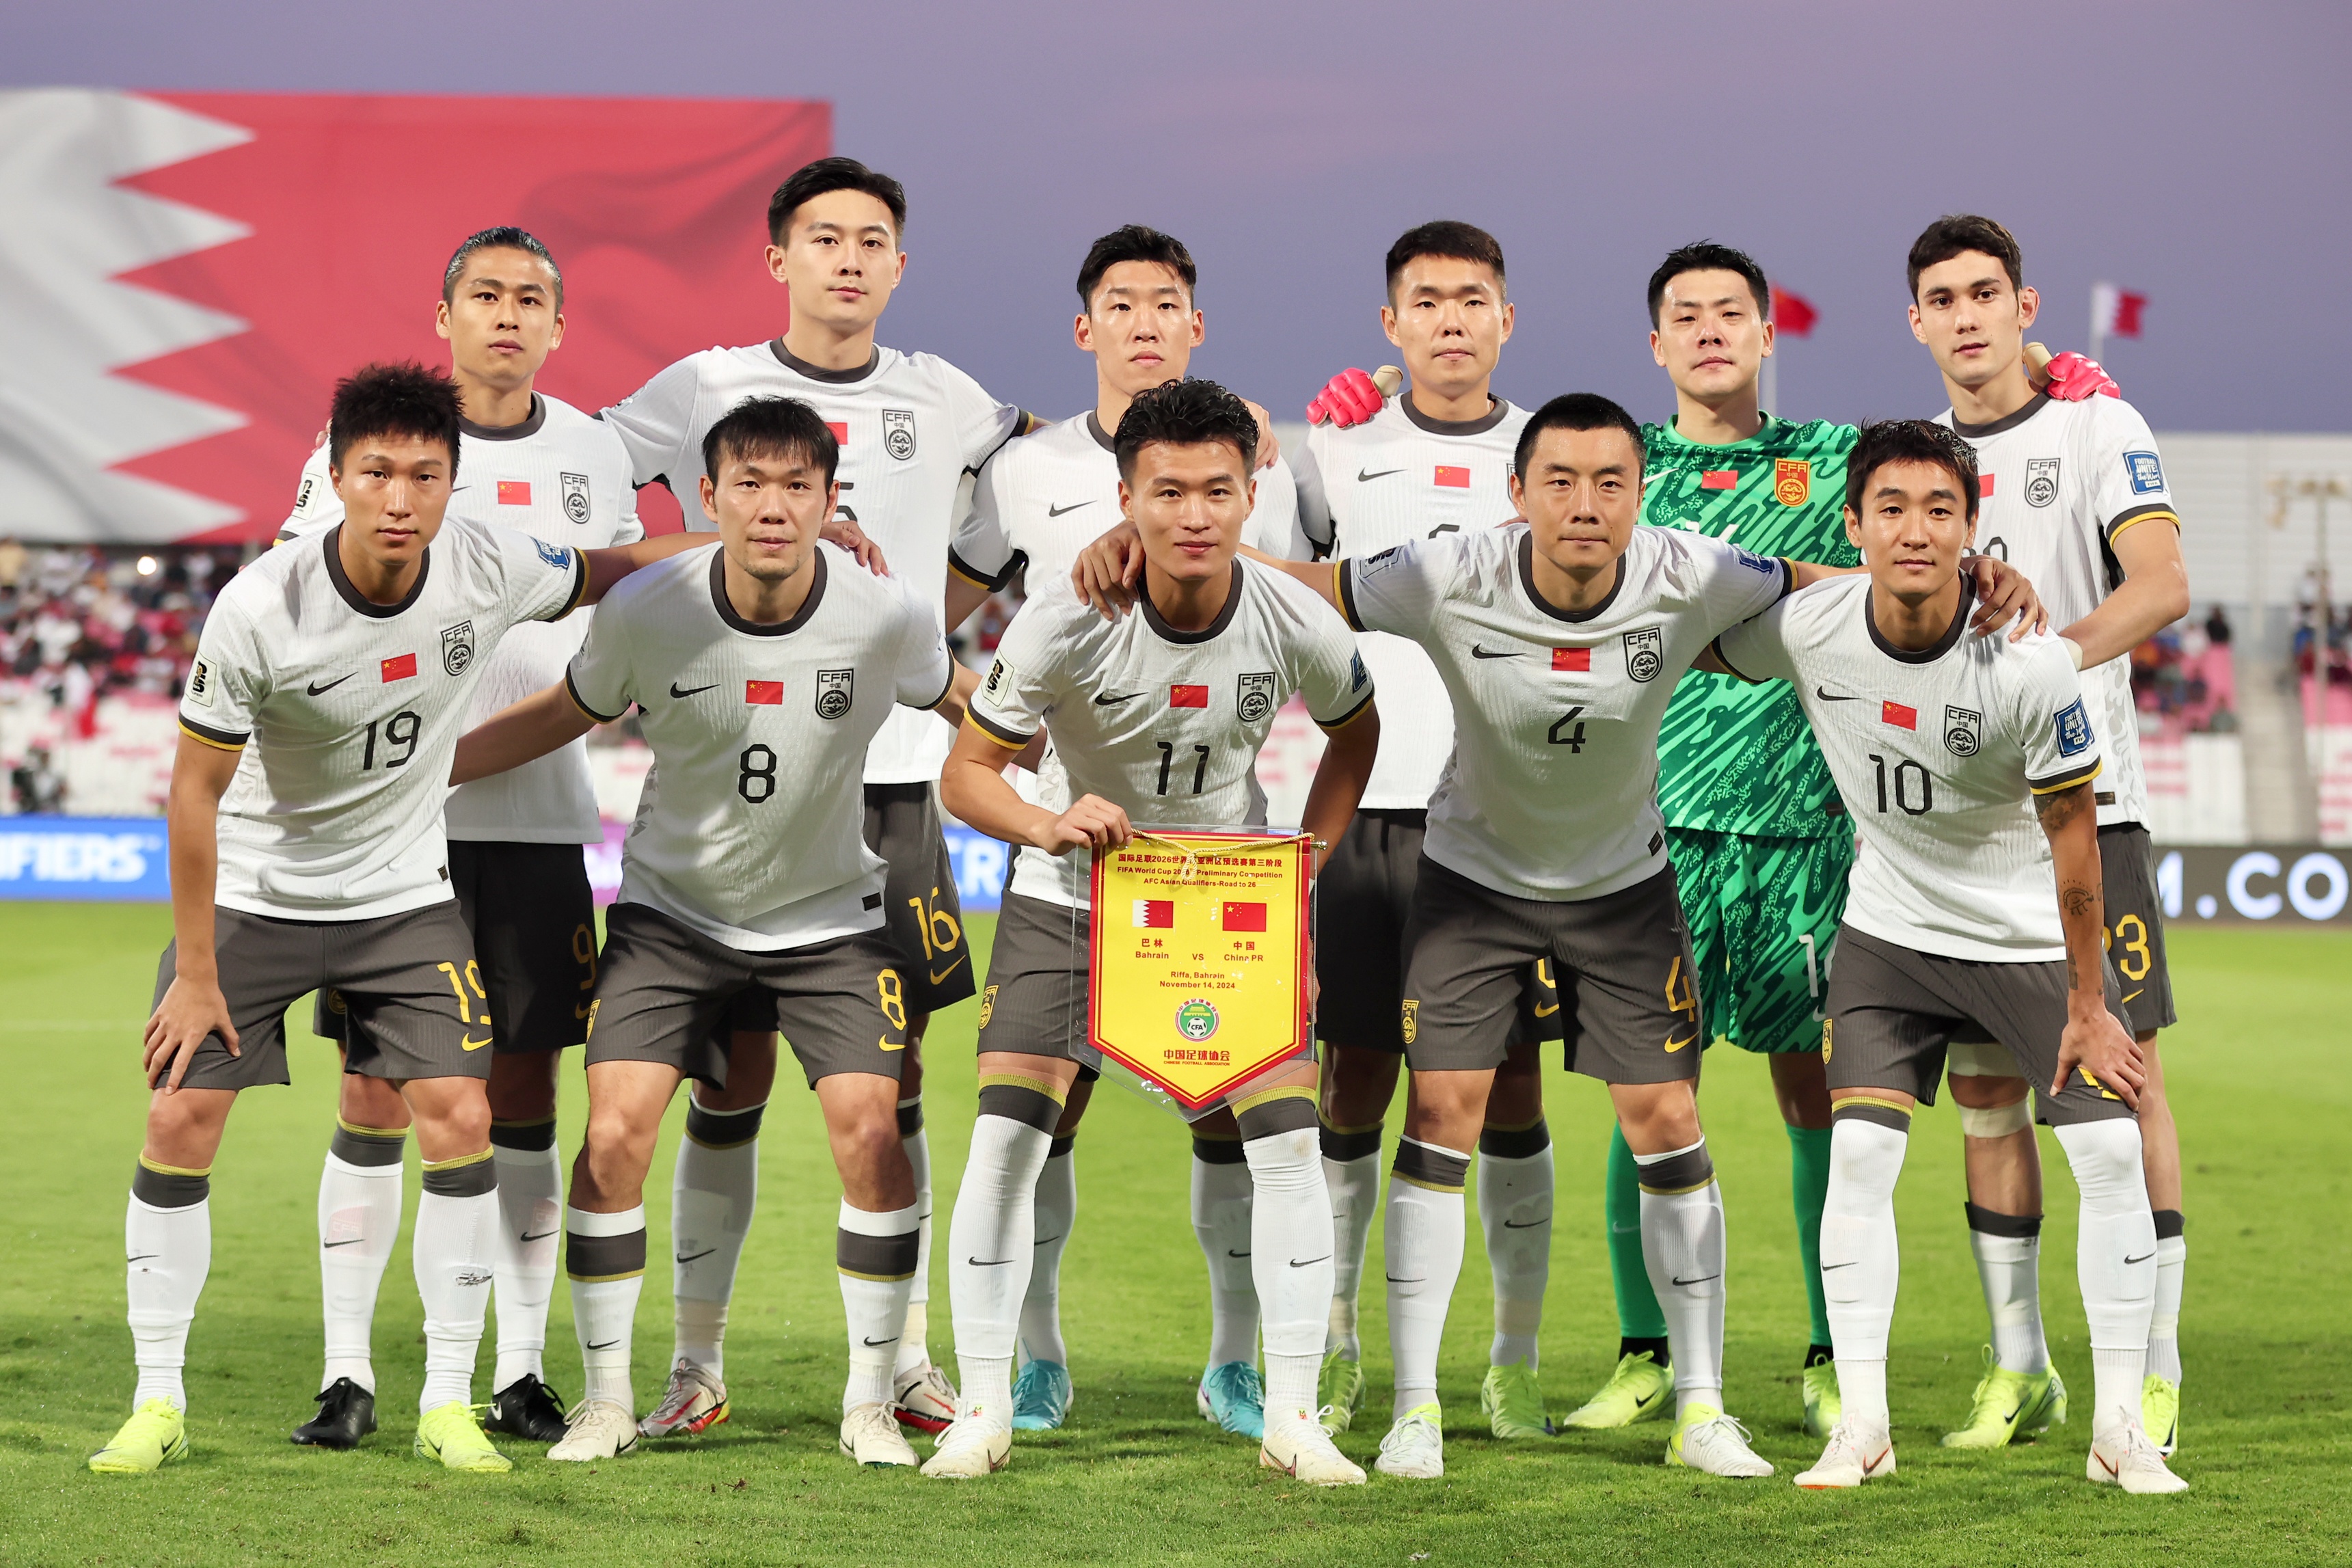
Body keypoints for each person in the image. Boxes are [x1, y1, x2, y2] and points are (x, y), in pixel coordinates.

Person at [1171, 392, 2046, 1481]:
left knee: (1667, 1121)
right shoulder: (1446, 572)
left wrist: (1967, 578)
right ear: (1516, 492)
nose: (1584, 505)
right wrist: (1168, 546)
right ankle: (1412, 1409)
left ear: (1639, 497)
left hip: (1624, 890)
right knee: (1439, 1118)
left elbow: (1833, 583)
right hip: (1471, 884)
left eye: (1609, 484)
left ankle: (1700, 1406)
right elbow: (1306, 584)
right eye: (1560, 481)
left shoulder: (1690, 568)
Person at [89, 362, 701, 1476]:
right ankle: (156, 1398)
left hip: (403, 903)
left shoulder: (485, 561)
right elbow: (192, 793)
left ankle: (447, 1400)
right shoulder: (261, 605)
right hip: (260, 898)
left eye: (425, 474)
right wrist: (196, 972)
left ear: (453, 483)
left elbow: (611, 568)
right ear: (334, 478)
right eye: (376, 471)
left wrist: (739, 541)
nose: (400, 497)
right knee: (179, 1117)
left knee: (461, 1114)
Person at [448, 395, 976, 1468]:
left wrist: (1069, 767)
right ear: (709, 495)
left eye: (796, 487)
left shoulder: (884, 612)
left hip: (831, 923)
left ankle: (869, 1402)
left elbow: (967, 702)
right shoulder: (647, 607)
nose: (772, 507)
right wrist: (432, 770)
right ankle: (606, 1400)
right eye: (750, 484)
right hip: (672, 921)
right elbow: (564, 712)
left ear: (829, 501)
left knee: (873, 1133)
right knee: (612, 1135)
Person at [598, 156, 1037, 1435]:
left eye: (871, 240)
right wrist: (722, 548)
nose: (848, 258)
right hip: (738, 790)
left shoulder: (946, 395)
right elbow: (584, 472)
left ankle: (901, 1360)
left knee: (891, 1085)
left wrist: (913, 625)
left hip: (888, 789)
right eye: (824, 237)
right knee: (725, 1082)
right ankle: (695, 1363)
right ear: (776, 256)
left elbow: (1043, 490)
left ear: (899, 264)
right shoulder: (705, 384)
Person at [1702, 417, 2187, 1494]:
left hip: (2023, 937)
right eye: (1890, 509)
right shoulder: (1810, 625)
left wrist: (2087, 1002)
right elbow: (1694, 629)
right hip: (1889, 935)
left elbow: (2075, 845)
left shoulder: (2032, 664)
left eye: (1937, 510)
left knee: (2109, 1154)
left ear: (1973, 529)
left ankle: (2119, 1428)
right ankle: (1861, 1428)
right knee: (1859, 1155)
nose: (1913, 530)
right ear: (1851, 523)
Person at [930, 379, 1379, 1485]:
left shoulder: (1293, 617)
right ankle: (984, 1405)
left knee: (1285, 1144)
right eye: (1166, 491)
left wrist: (1304, 867)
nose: (1193, 514)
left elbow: (1355, 733)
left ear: (1250, 493)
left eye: (1216, 490)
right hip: (1070, 902)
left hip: (1224, 909)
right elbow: (966, 773)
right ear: (1124, 497)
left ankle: (1289, 1413)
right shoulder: (1064, 614)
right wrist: (1047, 820)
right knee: (1006, 1141)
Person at [275, 226, 643, 1448]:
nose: (507, 314)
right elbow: (300, 592)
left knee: (525, 1091)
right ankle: (345, 1369)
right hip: (392, 835)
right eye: (484, 294)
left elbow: (626, 590)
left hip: (538, 822)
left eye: (530, 298)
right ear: (443, 317)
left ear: (558, 325)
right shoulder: (380, 447)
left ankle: (520, 1366)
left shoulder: (595, 450)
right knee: (375, 1090)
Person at [945, 224, 1305, 1437]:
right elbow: (940, 615)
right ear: (1083, 326)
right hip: (1073, 856)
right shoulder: (1023, 471)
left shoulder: (1256, 461)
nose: (1143, 322)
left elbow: (1296, 604)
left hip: (1213, 862)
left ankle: (1236, 1363)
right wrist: (992, 732)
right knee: (1042, 1119)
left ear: (1195, 325)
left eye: (1165, 303)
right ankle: (1035, 1358)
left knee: (1233, 1117)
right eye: (1120, 302)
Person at [1907, 215, 2193, 1455]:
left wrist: (2041, 665)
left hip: (2091, 803)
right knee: (1983, 1092)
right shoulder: (1914, 460)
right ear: (1915, 322)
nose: (1965, 315)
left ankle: (2157, 1364)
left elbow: (2161, 585)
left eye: (1984, 293)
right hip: (1964, 828)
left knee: (2124, 1079)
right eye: (1941, 298)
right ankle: (2018, 1366)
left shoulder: (2095, 424)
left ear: (2023, 307)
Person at [1284, 221, 1562, 1441]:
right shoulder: (1335, 447)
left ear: (1507, 319)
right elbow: (1273, 580)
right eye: (1428, 300)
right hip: (1369, 808)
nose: (1452, 319)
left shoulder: (1551, 456)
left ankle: (1512, 1357)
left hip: (1507, 822)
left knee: (1508, 1085)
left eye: (1473, 298)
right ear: (1390, 324)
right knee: (1351, 1076)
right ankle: (1339, 1340)